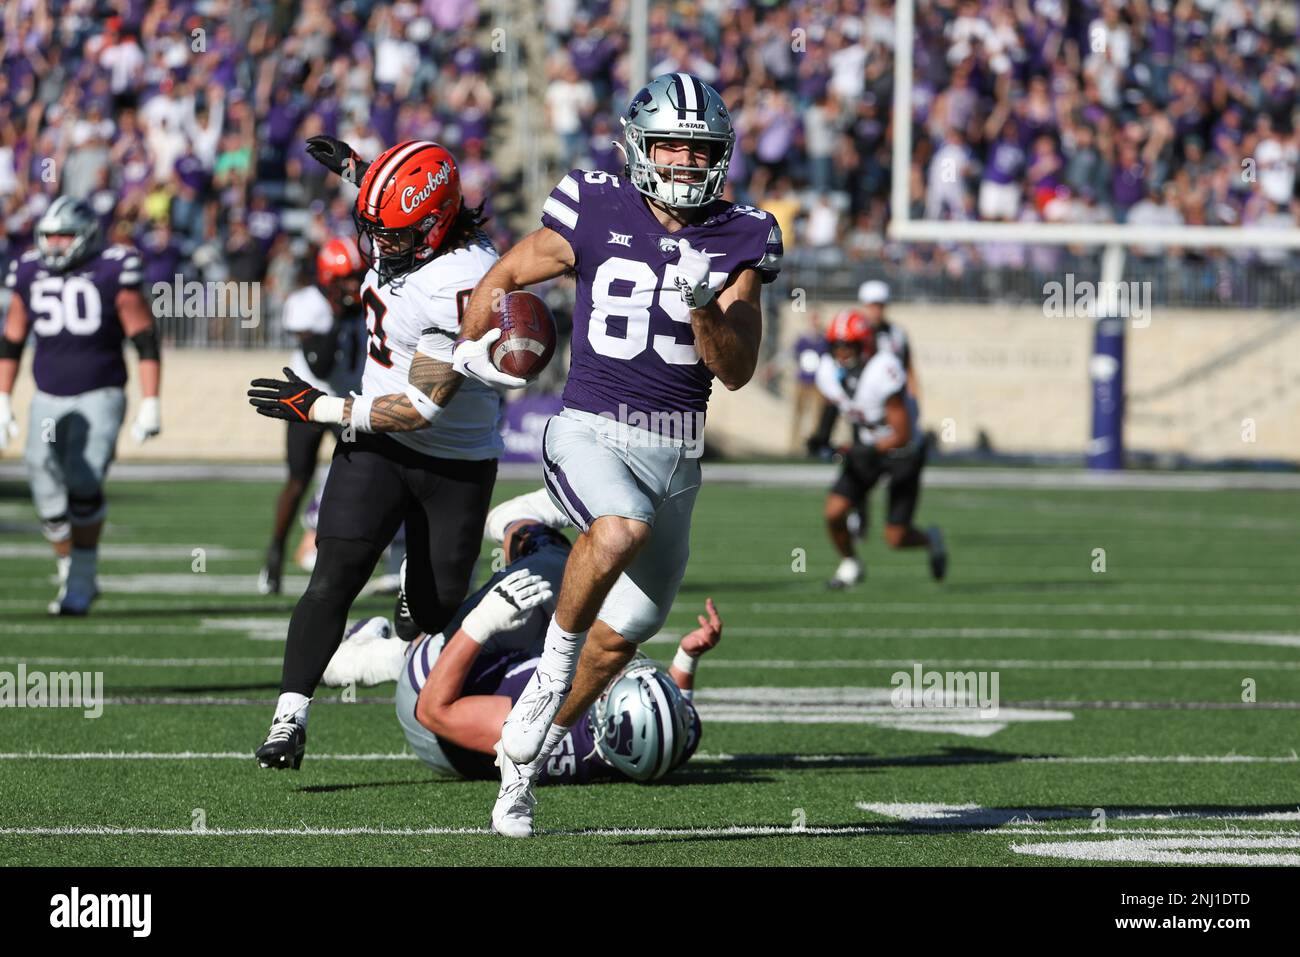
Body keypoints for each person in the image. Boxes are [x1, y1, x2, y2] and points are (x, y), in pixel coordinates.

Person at [449, 73, 783, 836]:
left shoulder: (743, 232)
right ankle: (538, 694)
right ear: (638, 145)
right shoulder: (593, 200)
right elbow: (505, 272)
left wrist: (704, 308)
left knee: (623, 633)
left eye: (700, 151)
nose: (687, 162)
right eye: (671, 145)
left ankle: (521, 766)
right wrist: (462, 363)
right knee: (619, 525)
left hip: (678, 456)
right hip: (590, 427)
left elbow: (735, 369)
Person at [245, 139, 504, 769]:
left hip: (452, 458)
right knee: (333, 577)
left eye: (393, 234)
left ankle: (391, 643)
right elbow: (390, 207)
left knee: (435, 607)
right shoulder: (414, 236)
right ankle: (288, 720)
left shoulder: (462, 280)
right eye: (373, 230)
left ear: (436, 224)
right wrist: (355, 171)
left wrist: (320, 407)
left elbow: (422, 406)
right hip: (377, 448)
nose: (378, 246)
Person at [323, 489, 720, 788]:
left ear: (603, 719)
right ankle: (379, 655)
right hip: (501, 684)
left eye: (614, 687)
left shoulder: (534, 732)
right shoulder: (665, 746)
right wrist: (686, 657)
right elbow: (673, 709)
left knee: (557, 579)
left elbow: (435, 710)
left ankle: (517, 525)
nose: (619, 674)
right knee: (570, 621)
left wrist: (481, 623)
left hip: (432, 720)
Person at [0, 197, 162, 615]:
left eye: (64, 235)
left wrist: (151, 401)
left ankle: (82, 579)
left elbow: (143, 337)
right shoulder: (29, 268)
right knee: (39, 471)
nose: (54, 244)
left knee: (84, 478)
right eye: (49, 235)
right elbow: (12, 337)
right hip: (48, 394)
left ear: (87, 235)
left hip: (101, 392)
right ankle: (68, 564)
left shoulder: (113, 267)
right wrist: (2, 397)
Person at [257, 236, 367, 595]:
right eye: (345, 279)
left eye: (356, 277)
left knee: (365, 472)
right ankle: (274, 553)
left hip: (347, 404)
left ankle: (346, 551)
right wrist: (339, 315)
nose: (353, 286)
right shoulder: (307, 304)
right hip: (305, 402)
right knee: (297, 480)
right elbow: (319, 360)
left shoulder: (371, 299)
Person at [812, 310, 946, 590]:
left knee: (896, 538)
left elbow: (902, 433)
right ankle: (850, 563)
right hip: (868, 446)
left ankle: (931, 539)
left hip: (902, 452)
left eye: (848, 345)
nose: (842, 352)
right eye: (837, 345)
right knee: (834, 513)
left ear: (864, 345)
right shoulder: (827, 370)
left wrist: (862, 450)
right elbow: (834, 401)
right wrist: (821, 436)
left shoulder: (882, 370)